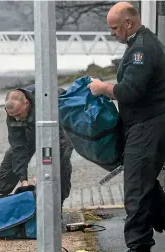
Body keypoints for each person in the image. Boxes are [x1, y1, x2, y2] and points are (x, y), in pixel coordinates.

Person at [87, 2, 165, 252]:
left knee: (136, 190)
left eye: (115, 28)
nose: (112, 32)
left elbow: (130, 91)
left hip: (146, 127)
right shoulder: (140, 44)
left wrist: (103, 88)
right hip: (145, 125)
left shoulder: (141, 49)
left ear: (129, 23)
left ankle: (138, 246)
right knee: (146, 183)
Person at [0, 86, 74, 209]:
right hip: (32, 124)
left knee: (61, 161)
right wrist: (23, 180)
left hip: (60, 126)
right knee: (12, 155)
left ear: (27, 103)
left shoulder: (47, 104)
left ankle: (55, 206)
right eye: (13, 116)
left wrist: (43, 171)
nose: (16, 118)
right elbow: (18, 147)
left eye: (18, 114)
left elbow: (55, 146)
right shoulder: (14, 113)